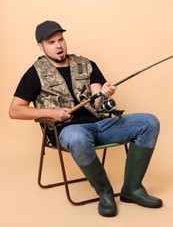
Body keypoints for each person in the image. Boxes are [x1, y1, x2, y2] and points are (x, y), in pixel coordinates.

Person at [9, 20, 163, 217]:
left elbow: (96, 104)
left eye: (60, 39)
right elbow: (15, 110)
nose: (58, 46)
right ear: (41, 46)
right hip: (68, 131)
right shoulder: (34, 73)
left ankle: (132, 189)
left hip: (99, 125)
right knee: (78, 138)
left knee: (149, 122)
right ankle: (105, 193)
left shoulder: (86, 65)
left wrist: (104, 94)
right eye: (51, 42)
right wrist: (51, 113)